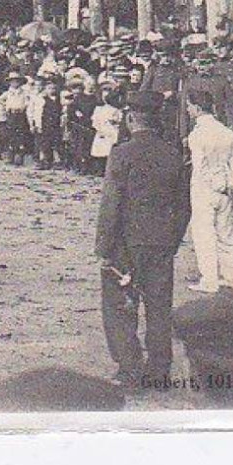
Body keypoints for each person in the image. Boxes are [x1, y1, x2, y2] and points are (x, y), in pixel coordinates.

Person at [94, 89, 188, 389]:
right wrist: (173, 238)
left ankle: (129, 367)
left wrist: (104, 248)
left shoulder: (122, 154)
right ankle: (160, 370)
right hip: (161, 240)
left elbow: (111, 204)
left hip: (126, 242)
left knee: (120, 305)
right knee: (160, 307)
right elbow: (184, 205)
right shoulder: (172, 155)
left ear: (131, 118)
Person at [185, 88, 233, 293]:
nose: (187, 109)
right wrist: (232, 183)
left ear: (197, 108)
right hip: (224, 187)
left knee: (204, 234)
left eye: (189, 106)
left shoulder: (197, 134)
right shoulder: (227, 132)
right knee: (225, 233)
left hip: (204, 187)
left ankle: (209, 279)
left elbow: (199, 165)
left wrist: (210, 183)